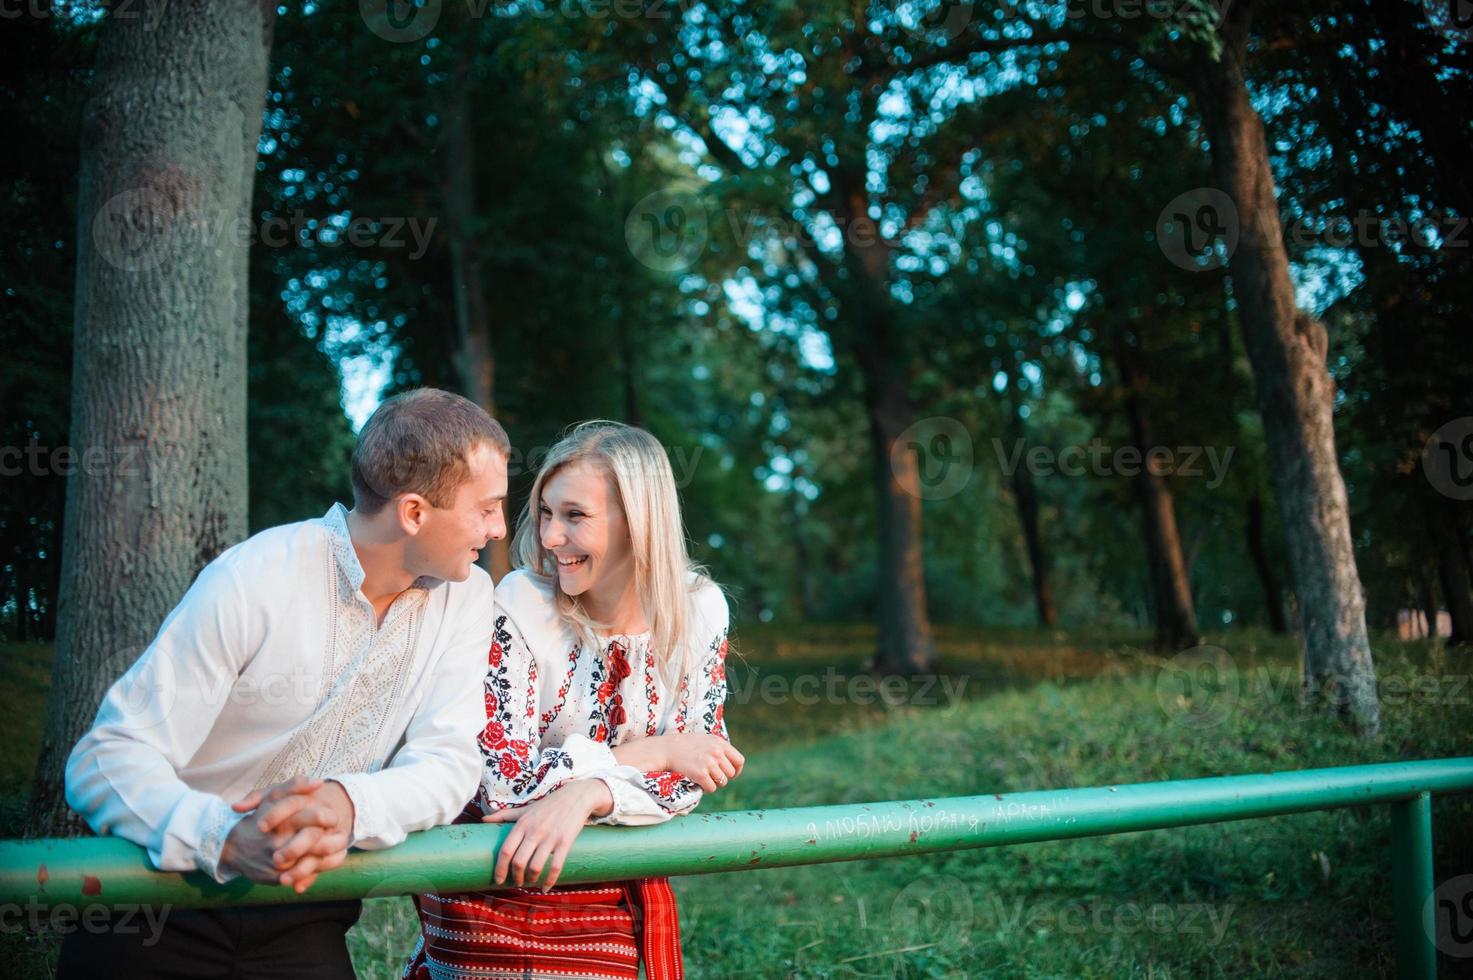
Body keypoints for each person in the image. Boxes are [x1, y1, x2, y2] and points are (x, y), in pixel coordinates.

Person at [59, 388, 511, 979]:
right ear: (414, 513)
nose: (500, 528)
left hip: (308, 914)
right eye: (486, 508)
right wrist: (224, 837)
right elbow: (103, 759)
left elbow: (448, 761)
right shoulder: (255, 574)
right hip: (157, 907)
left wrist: (348, 803)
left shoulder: (468, 598)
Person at [405, 420, 744, 980]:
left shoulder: (699, 608)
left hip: (613, 866)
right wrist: (651, 753)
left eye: (575, 516)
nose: (550, 537)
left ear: (639, 524)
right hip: (498, 874)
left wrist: (588, 792)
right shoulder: (522, 603)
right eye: (546, 513)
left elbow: (695, 772)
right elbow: (504, 785)